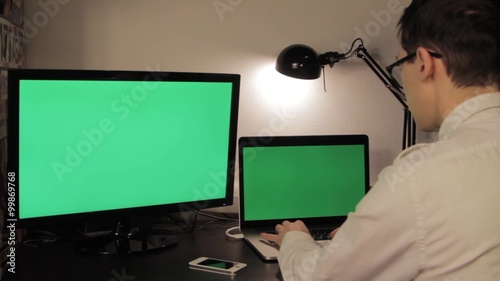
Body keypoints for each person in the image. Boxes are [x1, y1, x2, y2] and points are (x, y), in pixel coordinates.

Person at [261, 0, 500, 280]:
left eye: (400, 63)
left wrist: (296, 239)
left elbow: (319, 276)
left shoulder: (419, 177)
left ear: (423, 63)